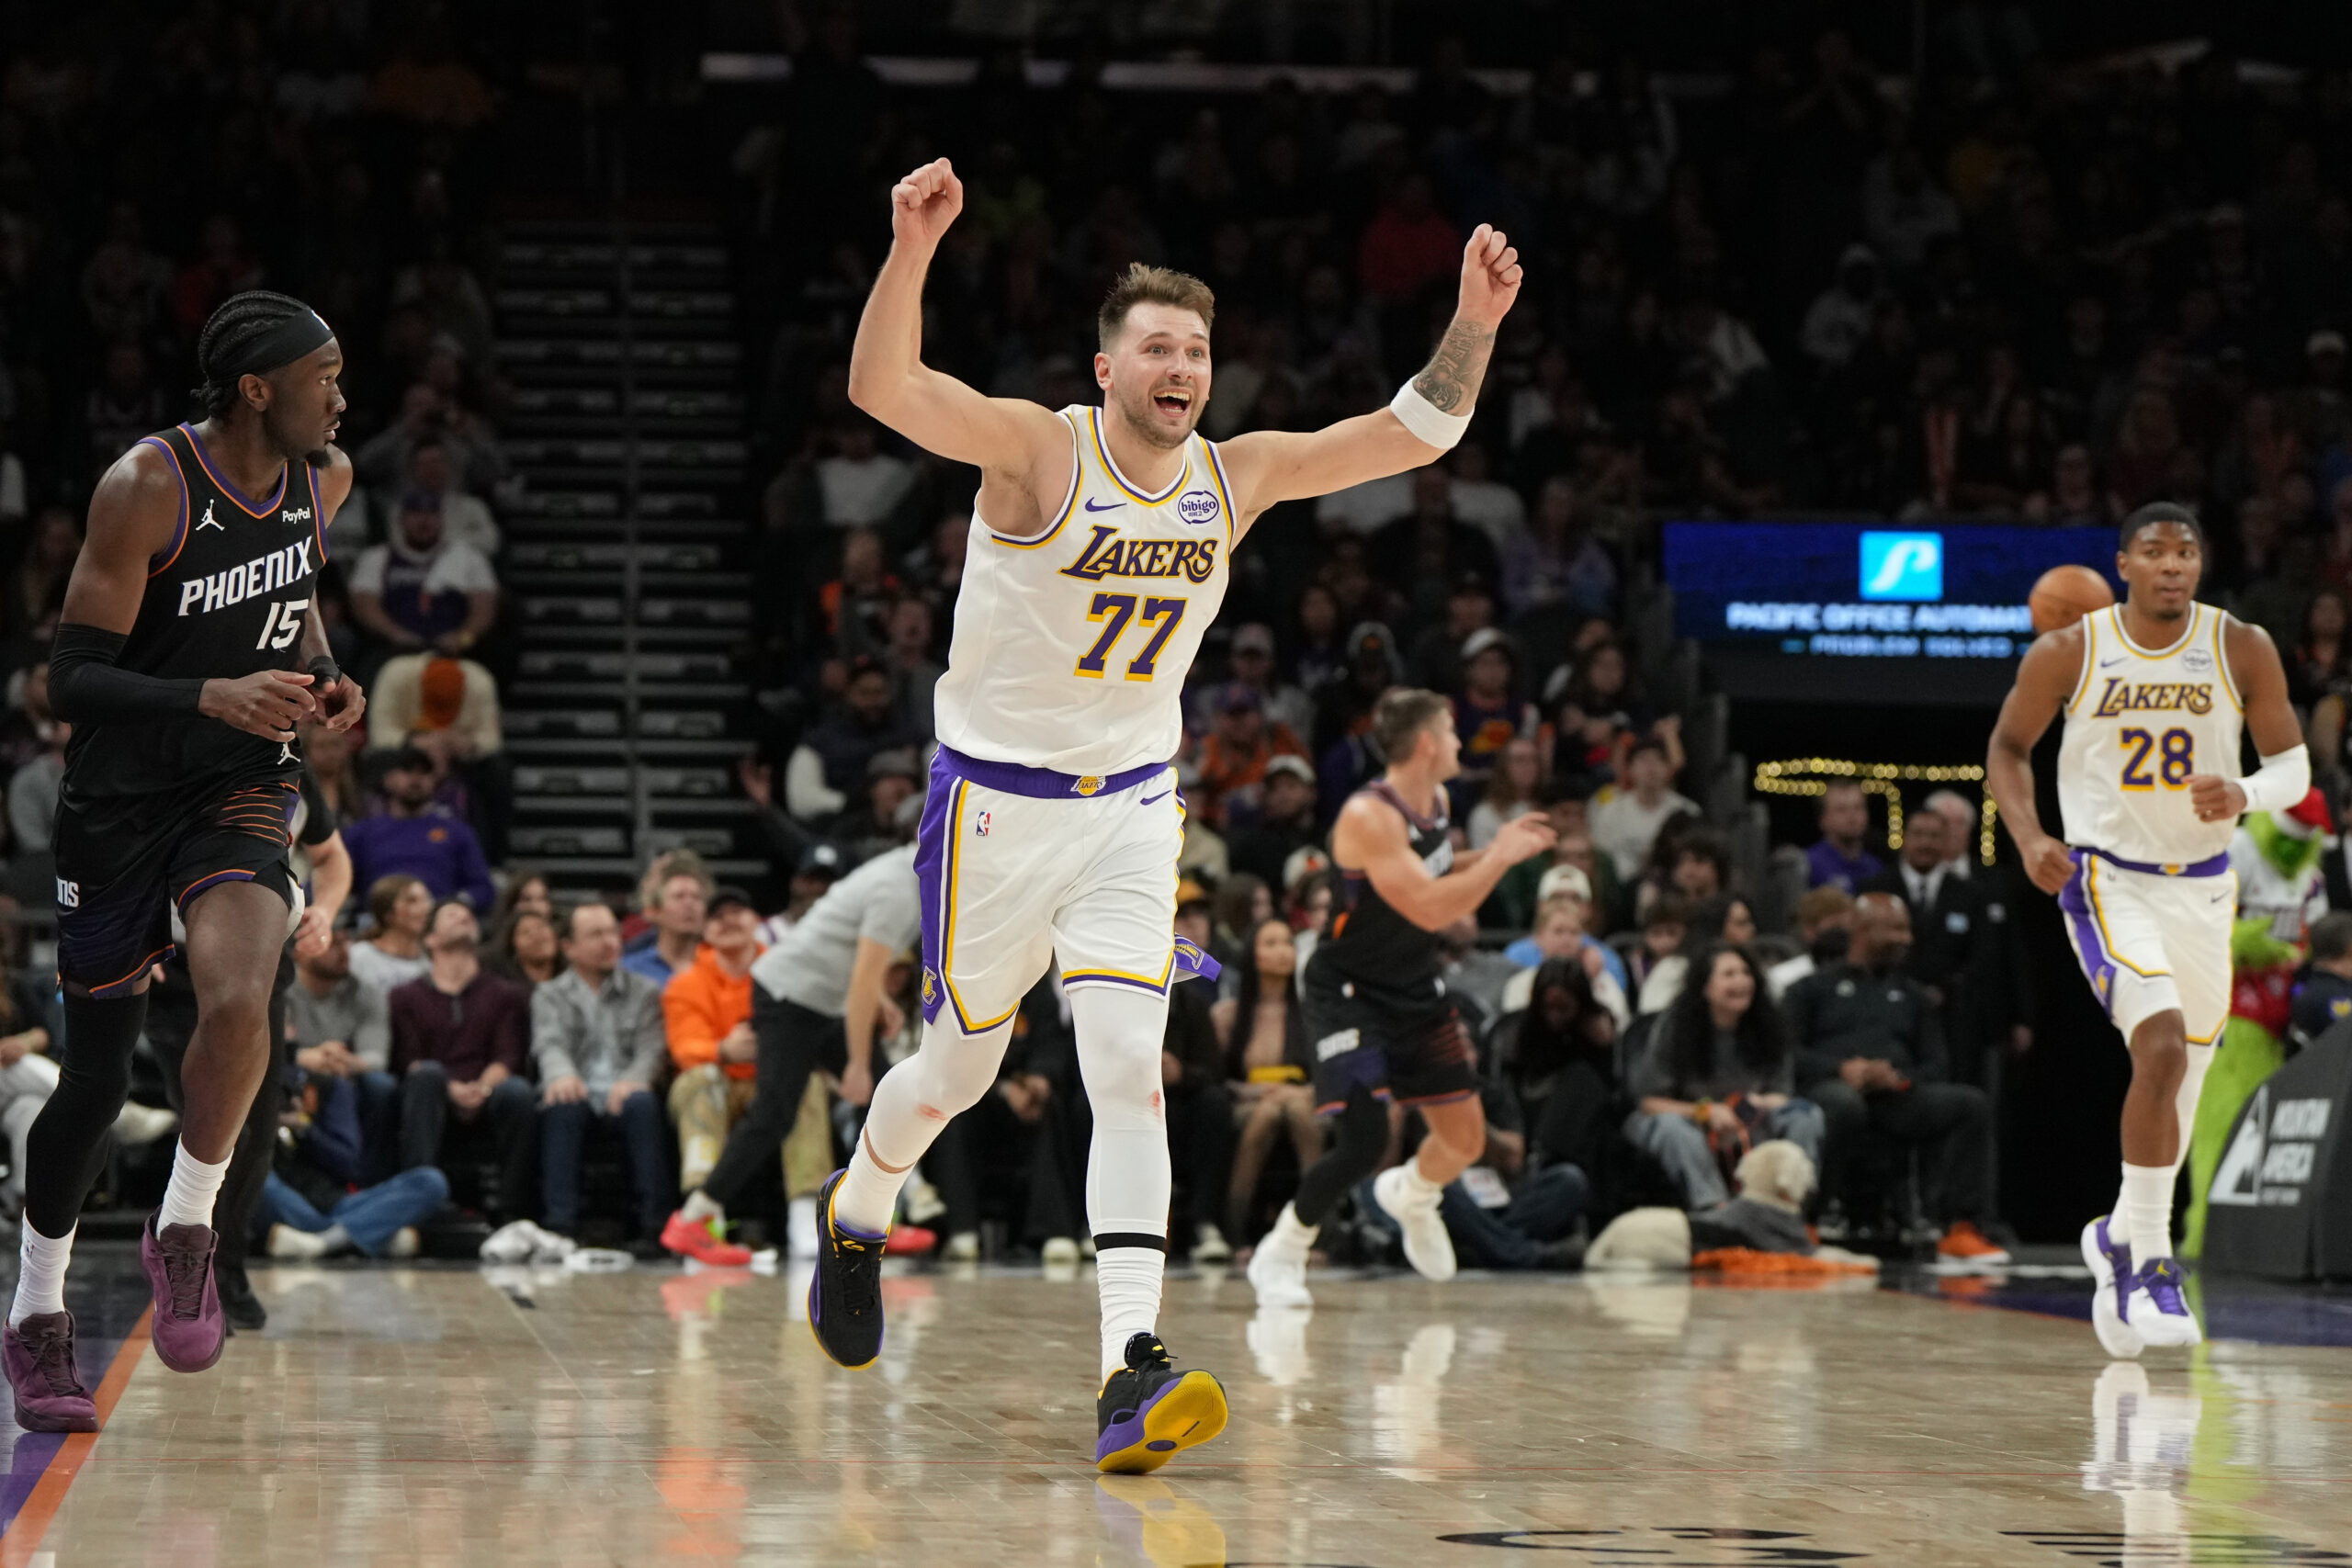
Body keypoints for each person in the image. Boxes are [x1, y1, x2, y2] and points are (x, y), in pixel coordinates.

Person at [836, 152, 1527, 1472]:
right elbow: (883, 387)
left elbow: (1410, 431)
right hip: (993, 804)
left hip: (1133, 810)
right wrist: (912, 245)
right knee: (960, 1071)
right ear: (1107, 368)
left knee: (1125, 1076)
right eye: (1156, 347)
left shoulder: (1237, 472)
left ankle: (1130, 1363)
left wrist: (1475, 325)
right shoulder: (1042, 449)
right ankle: (860, 1205)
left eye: (1197, 350)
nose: (1180, 368)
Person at [6, 291, 367, 1432]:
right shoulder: (148, 484)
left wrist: (323, 671)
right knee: (98, 1082)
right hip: (118, 797)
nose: (343, 398)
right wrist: (205, 689)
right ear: (256, 388)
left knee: (242, 991)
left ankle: (190, 1221)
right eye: (326, 377)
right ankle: (36, 1312)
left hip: (241, 782)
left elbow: (290, 599)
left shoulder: (326, 480)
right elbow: (69, 679)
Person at [1987, 501, 2307, 1355]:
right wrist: (2029, 838)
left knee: (2186, 1085)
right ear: (2123, 564)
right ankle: (2151, 1263)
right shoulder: (2069, 650)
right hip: (2106, 879)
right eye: (2156, 552)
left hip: (2204, 888)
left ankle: (2119, 1232)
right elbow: (2008, 749)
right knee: (2160, 1046)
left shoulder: (2241, 645)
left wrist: (2245, 791)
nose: (2173, 565)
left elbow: (2294, 765)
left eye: (2188, 551)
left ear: (2201, 564)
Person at [1248, 688, 1556, 1307]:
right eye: (1451, 731)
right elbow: (1431, 904)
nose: (1461, 742)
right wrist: (1499, 856)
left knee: (1465, 1140)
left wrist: (1486, 853)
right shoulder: (1368, 815)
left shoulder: (1437, 800)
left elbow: (1433, 871)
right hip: (1348, 988)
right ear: (1425, 743)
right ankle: (1283, 1247)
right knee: (1364, 1136)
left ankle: (1413, 1193)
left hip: (1412, 983)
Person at [661, 843, 924, 1268]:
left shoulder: (909, 872)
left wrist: (879, 1000)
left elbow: (855, 954)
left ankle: (866, 1223)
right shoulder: (898, 889)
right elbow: (861, 976)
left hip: (819, 997)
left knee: (883, 1092)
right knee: (777, 1111)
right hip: (788, 997)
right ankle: (693, 1218)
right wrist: (854, 1062)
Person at [1782, 894, 2006, 1263]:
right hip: (1831, 1091)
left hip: (1895, 1097)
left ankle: (1963, 1229)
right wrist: (1842, 1070)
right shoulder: (1810, 989)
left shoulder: (1913, 996)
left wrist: (1897, 1078)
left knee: (1970, 1105)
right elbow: (1786, 1055)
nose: (1907, 939)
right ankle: (1805, 1222)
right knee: (1842, 1104)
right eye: (1896, 929)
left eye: (1907, 929)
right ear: (1860, 928)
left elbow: (1937, 1066)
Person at [1620, 944, 1825, 1211]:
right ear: (1705, 987)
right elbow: (1650, 1102)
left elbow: (1779, 1094)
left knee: (1806, 1115)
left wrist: (1745, 1109)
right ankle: (1715, 1210)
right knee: (1673, 1129)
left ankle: (1788, 1209)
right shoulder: (1676, 1027)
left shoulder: (1771, 1025)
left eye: (1746, 973)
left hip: (1747, 1116)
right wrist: (1707, 1112)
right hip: (1687, 1117)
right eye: (1729, 974)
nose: (1741, 981)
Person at [532, 902, 671, 1250]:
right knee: (562, 1103)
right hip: (577, 1089)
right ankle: (559, 1228)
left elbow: (652, 1049)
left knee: (641, 1103)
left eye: (612, 933)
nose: (609, 942)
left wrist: (635, 1079)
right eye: (596, 935)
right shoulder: (549, 994)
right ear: (569, 947)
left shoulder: (645, 991)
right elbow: (549, 1044)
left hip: (624, 1092)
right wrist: (562, 1075)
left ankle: (652, 1227)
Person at [389, 901, 534, 1221]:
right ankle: (419, 1200)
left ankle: (511, 1211)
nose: (464, 915)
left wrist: (481, 1088)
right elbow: (408, 1059)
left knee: (518, 1092)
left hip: (488, 1090)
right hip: (432, 1091)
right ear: (431, 940)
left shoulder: (505, 994)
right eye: (451, 915)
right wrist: (452, 1089)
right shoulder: (406, 996)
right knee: (426, 1075)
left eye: (468, 914)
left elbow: (508, 1055)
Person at [1211, 918, 1318, 1243]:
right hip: (1248, 1101)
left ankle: (1317, 1230)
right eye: (1271, 943)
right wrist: (1264, 1092)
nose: (1284, 951)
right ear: (1252, 955)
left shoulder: (1313, 1014)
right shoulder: (1228, 1015)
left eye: (1288, 942)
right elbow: (1219, 1080)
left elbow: (1325, 1074)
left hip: (1304, 1099)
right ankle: (1236, 1230)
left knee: (1298, 1110)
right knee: (1268, 1112)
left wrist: (1290, 1093)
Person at [285, 926, 397, 1181]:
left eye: (345, 943)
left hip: (346, 1075)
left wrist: (342, 1059)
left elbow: (377, 1057)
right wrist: (306, 1057)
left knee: (381, 1085)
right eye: (332, 944)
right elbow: (271, 1046)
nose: (343, 952)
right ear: (301, 952)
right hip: (294, 1070)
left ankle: (371, 1178)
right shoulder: (281, 989)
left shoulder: (366, 992)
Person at [339, 745, 495, 909]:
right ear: (389, 779)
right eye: (408, 771)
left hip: (436, 921)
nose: (416, 779)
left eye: (424, 772)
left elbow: (483, 889)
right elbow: (334, 880)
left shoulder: (457, 832)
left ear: (435, 781)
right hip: (376, 922)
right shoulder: (362, 832)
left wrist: (454, 904)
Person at [1587, 739, 1697, 883]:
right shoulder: (1610, 811)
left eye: (1659, 760)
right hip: (1620, 888)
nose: (1651, 768)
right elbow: (1601, 858)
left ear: (1669, 769)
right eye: (1643, 760)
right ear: (1629, 769)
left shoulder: (1687, 811)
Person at [623, 864, 709, 988]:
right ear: (654, 911)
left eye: (696, 897)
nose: (689, 904)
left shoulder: (722, 966)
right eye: (679, 897)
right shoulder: (629, 970)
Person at [350, 874, 434, 995]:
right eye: (412, 901)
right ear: (388, 912)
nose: (425, 908)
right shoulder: (359, 958)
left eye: (426, 900)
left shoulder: (429, 965)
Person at [1805, 780, 1883, 893]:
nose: (1852, 816)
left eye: (1858, 807)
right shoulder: (1809, 866)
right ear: (1823, 819)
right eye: (1841, 809)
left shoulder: (1876, 867)